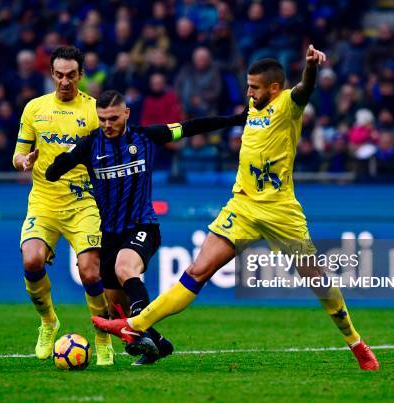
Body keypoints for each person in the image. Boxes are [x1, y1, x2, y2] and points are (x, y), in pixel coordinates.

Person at [93, 46, 381, 371]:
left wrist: (310, 67)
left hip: (280, 210)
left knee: (317, 280)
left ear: (274, 88)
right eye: (248, 86)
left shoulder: (287, 105)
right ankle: (137, 325)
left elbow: (304, 89)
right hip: (241, 205)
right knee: (196, 271)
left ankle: (356, 343)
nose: (249, 92)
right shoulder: (253, 109)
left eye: (254, 87)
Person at [46, 90, 246, 364]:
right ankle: (159, 344)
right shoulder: (89, 145)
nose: (107, 125)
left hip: (143, 225)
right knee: (116, 310)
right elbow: (53, 171)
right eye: (102, 119)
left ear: (126, 113)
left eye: (113, 118)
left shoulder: (147, 137)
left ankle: (140, 329)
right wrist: (55, 163)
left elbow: (190, 127)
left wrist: (234, 120)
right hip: (110, 234)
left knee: (124, 268)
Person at [12, 46, 113, 365]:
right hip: (43, 200)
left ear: (81, 75)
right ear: (51, 74)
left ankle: (102, 336)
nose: (65, 81)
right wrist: (22, 161)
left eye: (71, 75)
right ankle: (48, 322)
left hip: (84, 202)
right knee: (31, 261)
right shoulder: (34, 109)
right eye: (59, 75)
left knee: (89, 272)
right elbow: (19, 153)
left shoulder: (95, 112)